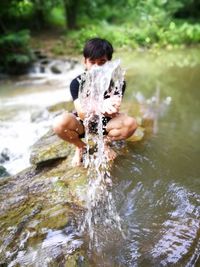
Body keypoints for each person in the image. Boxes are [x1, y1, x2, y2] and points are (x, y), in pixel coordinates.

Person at [53, 38, 137, 166]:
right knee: (59, 124)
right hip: (83, 124)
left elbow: (113, 113)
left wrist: (111, 108)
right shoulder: (77, 83)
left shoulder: (117, 82)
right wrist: (100, 105)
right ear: (85, 62)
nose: (97, 67)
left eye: (102, 62)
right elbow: (82, 114)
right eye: (92, 62)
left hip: (105, 123)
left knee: (131, 124)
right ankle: (80, 146)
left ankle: (104, 143)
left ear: (109, 63)